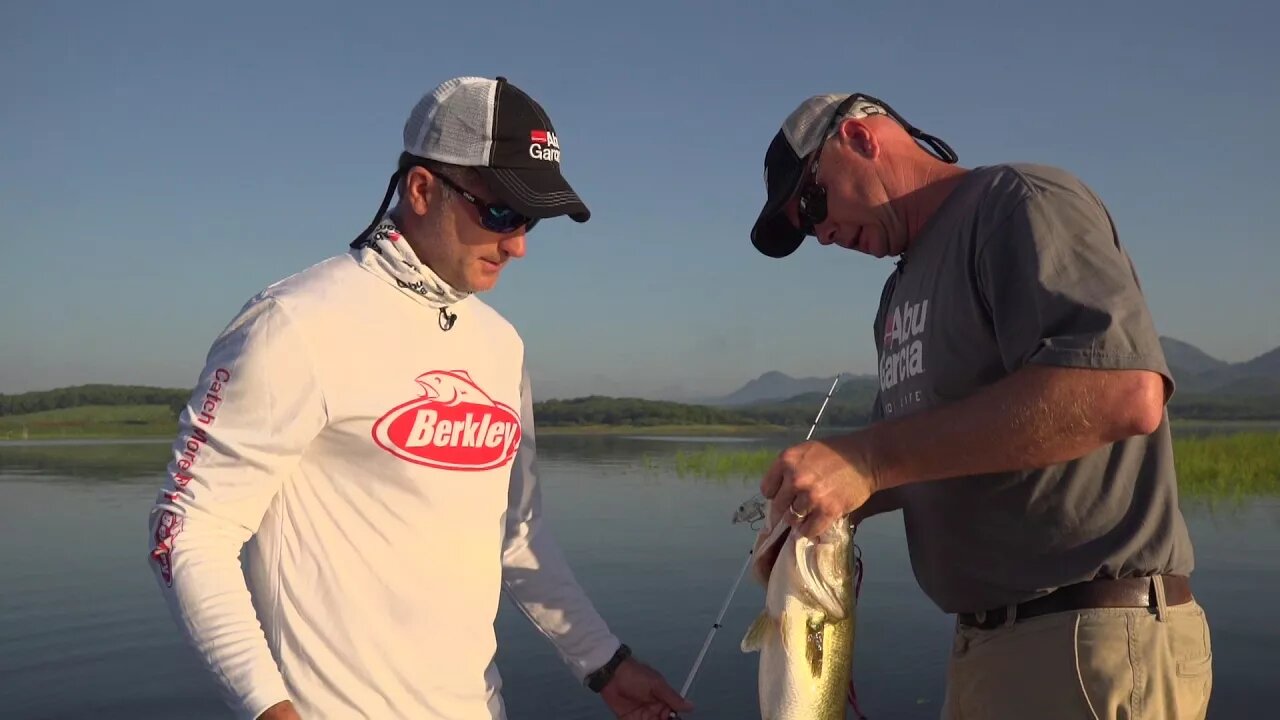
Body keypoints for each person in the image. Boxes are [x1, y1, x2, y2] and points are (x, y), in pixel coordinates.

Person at [146, 75, 693, 720]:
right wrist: (269, 709)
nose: (517, 246)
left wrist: (604, 664)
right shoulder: (294, 324)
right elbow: (187, 531)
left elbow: (516, 534)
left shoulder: (501, 344)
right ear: (423, 189)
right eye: (501, 213)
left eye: (532, 222)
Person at [746, 92, 1213, 719]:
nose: (821, 233)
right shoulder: (899, 294)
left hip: (1086, 641)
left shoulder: (1018, 202)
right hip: (984, 648)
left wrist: (868, 459)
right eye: (806, 229)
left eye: (812, 200)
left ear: (860, 138)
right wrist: (814, 508)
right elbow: (912, 460)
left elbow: (1122, 391)